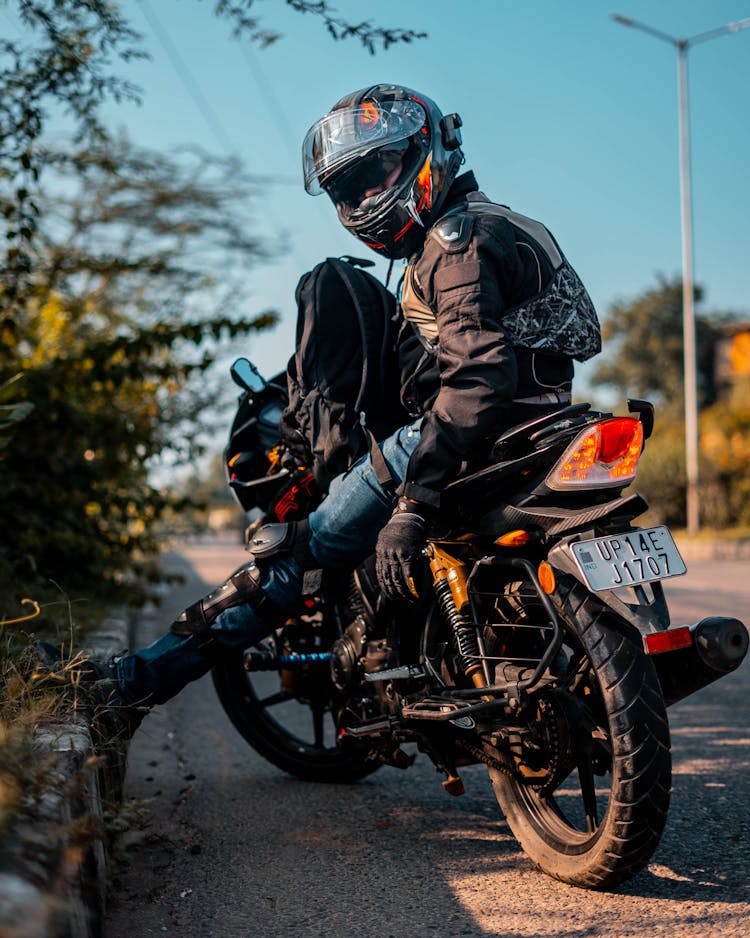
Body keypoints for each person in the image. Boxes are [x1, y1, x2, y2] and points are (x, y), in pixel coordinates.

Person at [41, 83, 600, 732]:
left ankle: (127, 689)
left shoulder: (453, 246)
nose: (364, 198)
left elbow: (475, 380)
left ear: (428, 151)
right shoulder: (503, 223)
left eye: (375, 174)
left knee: (290, 557)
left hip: (462, 437)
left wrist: (412, 503)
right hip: (545, 422)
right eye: (348, 188)